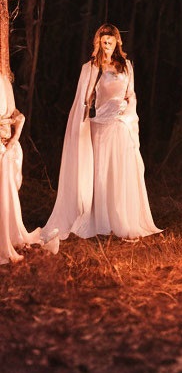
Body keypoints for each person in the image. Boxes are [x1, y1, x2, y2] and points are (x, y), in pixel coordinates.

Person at [43, 24, 160, 241]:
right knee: (100, 171)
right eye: (103, 41)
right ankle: (100, 218)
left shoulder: (126, 66)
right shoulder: (92, 67)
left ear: (117, 42)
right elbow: (84, 99)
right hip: (99, 124)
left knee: (120, 169)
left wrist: (127, 114)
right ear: (98, 42)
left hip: (120, 121)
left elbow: (131, 95)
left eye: (111, 41)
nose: (107, 45)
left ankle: (121, 216)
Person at [1, 74, 57, 264]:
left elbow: (15, 113)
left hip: (6, 144)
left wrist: (15, 135)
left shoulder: (4, 80)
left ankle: (8, 234)